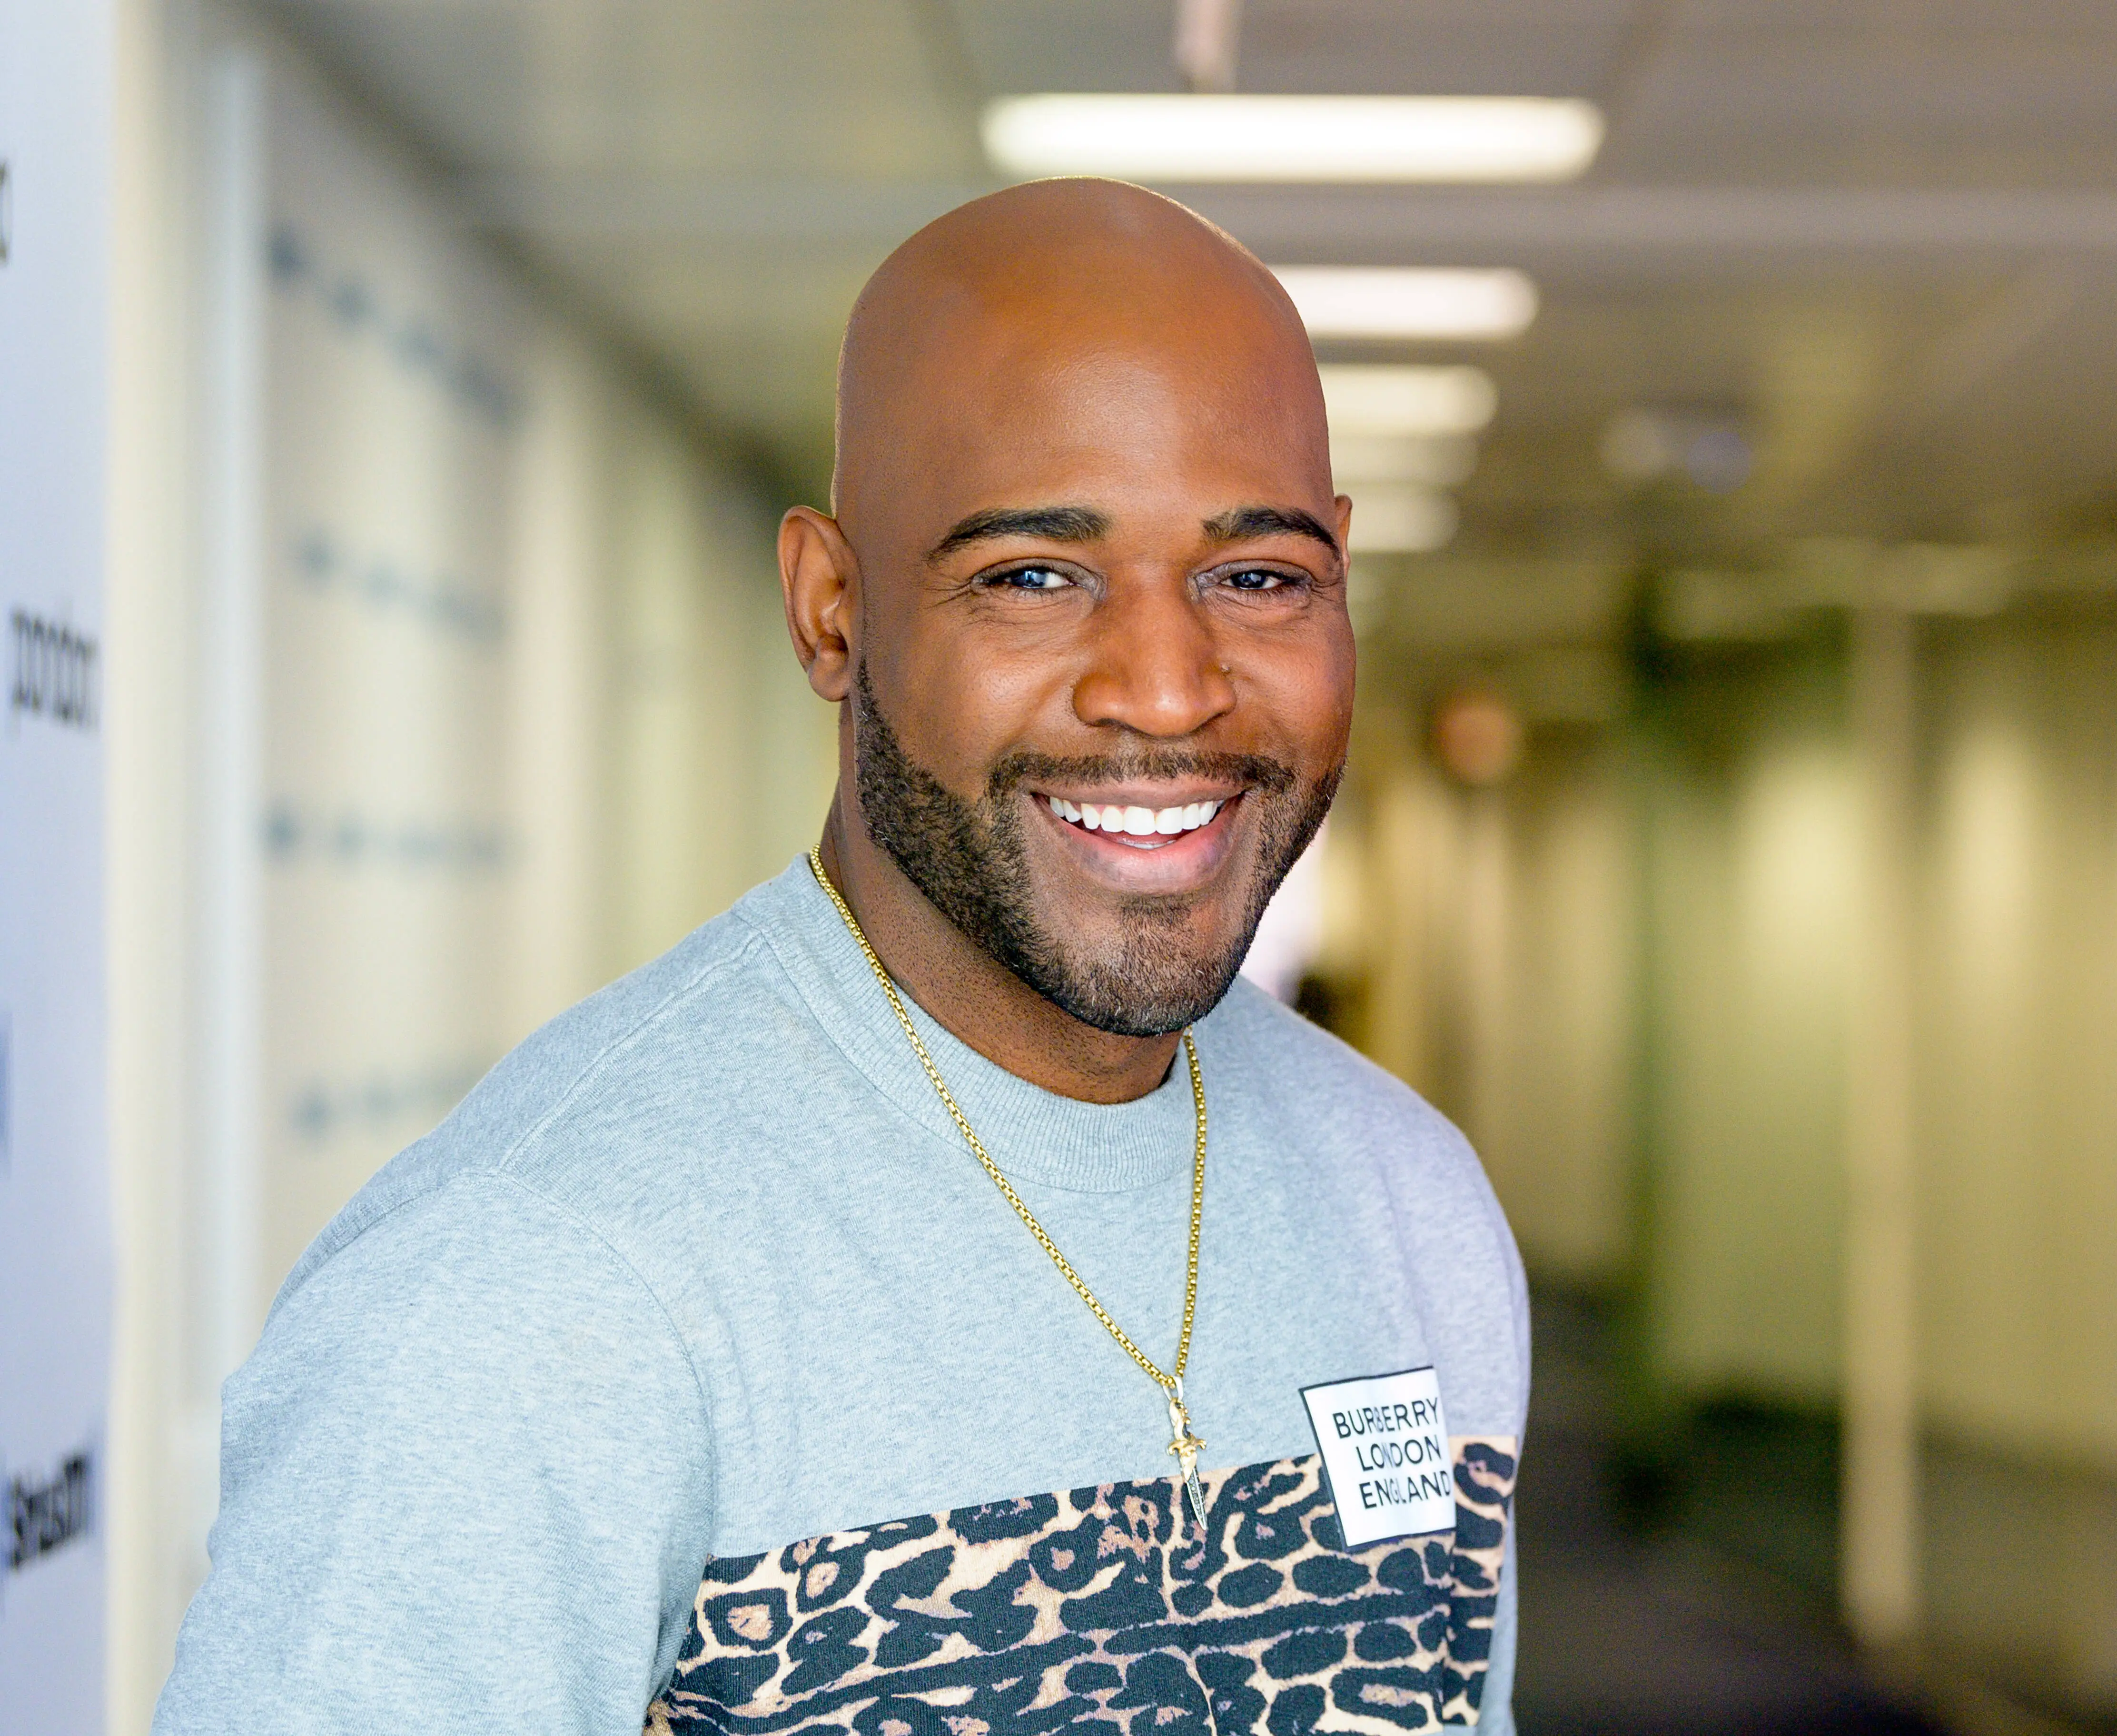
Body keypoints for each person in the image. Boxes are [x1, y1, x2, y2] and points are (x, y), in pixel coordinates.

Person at [157, 179, 1528, 1736]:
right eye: (1034, 574)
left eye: (1258, 576)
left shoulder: (1411, 1205)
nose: (1166, 689)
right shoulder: (529, 1287)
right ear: (832, 608)